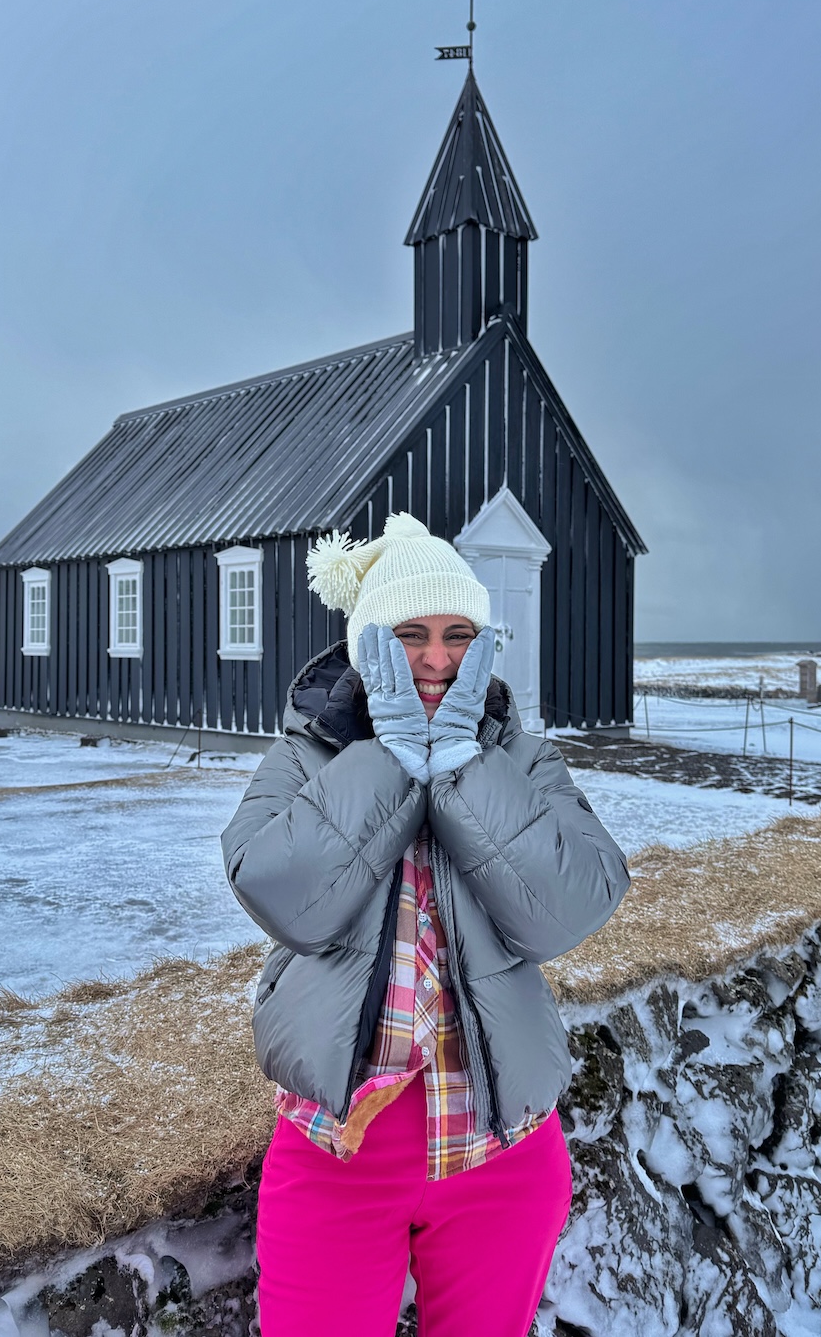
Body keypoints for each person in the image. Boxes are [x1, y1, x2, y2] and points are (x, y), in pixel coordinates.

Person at [221, 513, 630, 1337]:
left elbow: (572, 905)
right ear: (367, 642)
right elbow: (283, 898)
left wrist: (464, 774)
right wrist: (388, 760)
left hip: (502, 1153)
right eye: (410, 634)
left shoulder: (523, 758)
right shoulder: (306, 756)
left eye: (457, 635)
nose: (437, 659)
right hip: (335, 1154)